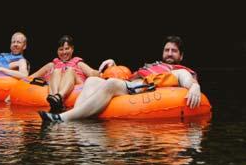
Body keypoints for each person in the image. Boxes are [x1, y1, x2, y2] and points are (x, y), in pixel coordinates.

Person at [40, 35, 202, 123]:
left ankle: (63, 118)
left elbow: (187, 79)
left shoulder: (180, 70)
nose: (169, 53)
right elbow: (128, 76)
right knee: (91, 81)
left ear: (181, 56)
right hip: (133, 85)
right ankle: (80, 117)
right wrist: (114, 65)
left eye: (174, 51)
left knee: (110, 84)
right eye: (167, 50)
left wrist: (195, 87)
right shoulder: (152, 66)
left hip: (144, 89)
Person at [24, 35, 101, 113]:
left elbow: (91, 73)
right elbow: (31, 77)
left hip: (76, 86)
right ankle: (54, 98)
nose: (64, 52)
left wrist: (100, 72)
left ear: (72, 49)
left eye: (67, 49)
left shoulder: (78, 63)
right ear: (57, 51)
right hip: (54, 90)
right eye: (61, 49)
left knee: (70, 70)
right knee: (56, 71)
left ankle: (59, 96)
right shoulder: (52, 65)